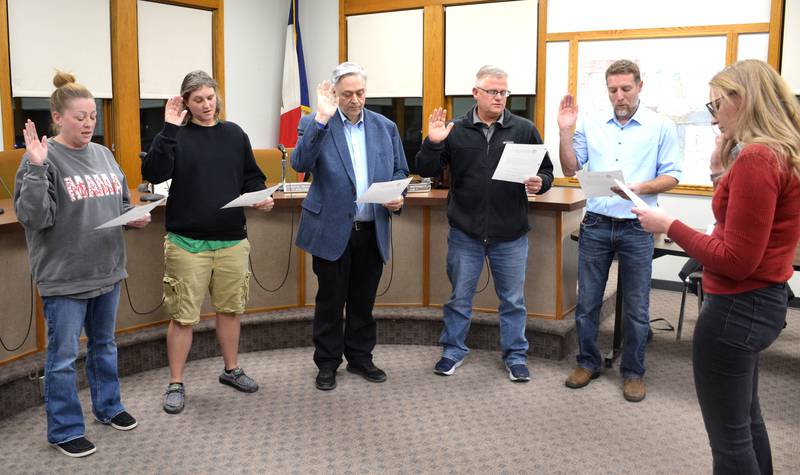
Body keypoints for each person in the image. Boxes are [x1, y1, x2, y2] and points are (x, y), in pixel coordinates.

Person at [633, 59, 800, 474]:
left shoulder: (757, 159)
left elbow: (736, 260)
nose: (714, 117)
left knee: (729, 443)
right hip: (763, 303)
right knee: (747, 422)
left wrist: (668, 224)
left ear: (741, 100)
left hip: (735, 312)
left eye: (715, 106)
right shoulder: (781, 153)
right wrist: (718, 169)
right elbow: (740, 224)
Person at [14, 72, 150, 457]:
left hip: (107, 269)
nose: (89, 123)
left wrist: (135, 216)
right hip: (65, 276)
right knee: (61, 359)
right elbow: (35, 217)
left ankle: (108, 407)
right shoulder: (39, 159)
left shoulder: (104, 154)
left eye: (93, 116)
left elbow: (120, 203)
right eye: (80, 117)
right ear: (57, 118)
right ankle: (64, 429)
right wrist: (37, 168)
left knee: (105, 346)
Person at [141, 70, 274, 414]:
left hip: (231, 240)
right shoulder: (177, 136)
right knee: (184, 317)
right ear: (185, 102)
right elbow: (154, 173)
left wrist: (259, 195)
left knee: (230, 310)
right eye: (198, 100)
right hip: (187, 242)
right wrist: (169, 128)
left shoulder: (233, 134)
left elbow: (251, 175)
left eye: (210, 98)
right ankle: (175, 383)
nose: (206, 105)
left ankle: (231, 369)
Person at [416, 65, 554, 382]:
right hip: (466, 232)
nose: (499, 97)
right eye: (492, 91)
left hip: (511, 233)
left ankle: (516, 356)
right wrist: (434, 142)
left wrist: (540, 183)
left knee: (513, 301)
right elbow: (426, 169)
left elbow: (546, 171)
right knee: (459, 298)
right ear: (475, 93)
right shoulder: (456, 130)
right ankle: (452, 351)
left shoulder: (524, 129)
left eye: (504, 91)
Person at [557, 59, 682, 401]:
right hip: (596, 224)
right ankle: (588, 362)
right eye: (613, 90)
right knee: (587, 302)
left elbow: (672, 175)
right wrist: (565, 131)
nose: (620, 96)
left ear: (640, 86)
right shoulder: (592, 124)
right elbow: (570, 167)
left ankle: (633, 371)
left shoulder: (661, 127)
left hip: (637, 224)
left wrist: (639, 188)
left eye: (626, 89)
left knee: (636, 306)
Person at [291, 62, 409, 391]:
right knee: (330, 301)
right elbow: (300, 163)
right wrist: (322, 118)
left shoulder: (385, 127)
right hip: (330, 229)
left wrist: (398, 197)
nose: (355, 100)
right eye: (347, 94)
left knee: (363, 300)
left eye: (360, 93)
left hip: (371, 230)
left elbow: (400, 172)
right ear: (334, 94)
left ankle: (360, 357)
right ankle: (327, 363)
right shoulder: (314, 123)